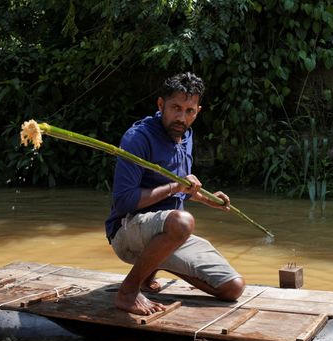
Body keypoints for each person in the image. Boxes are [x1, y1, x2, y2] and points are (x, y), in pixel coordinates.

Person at [105, 72, 245, 315]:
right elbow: (124, 201)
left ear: (198, 111)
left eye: (189, 111)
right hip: (126, 230)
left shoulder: (185, 135)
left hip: (169, 231)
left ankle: (152, 267)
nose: (181, 117)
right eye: (175, 108)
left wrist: (207, 199)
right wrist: (175, 187)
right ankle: (128, 292)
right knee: (182, 221)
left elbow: (181, 191)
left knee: (233, 288)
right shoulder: (137, 138)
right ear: (161, 105)